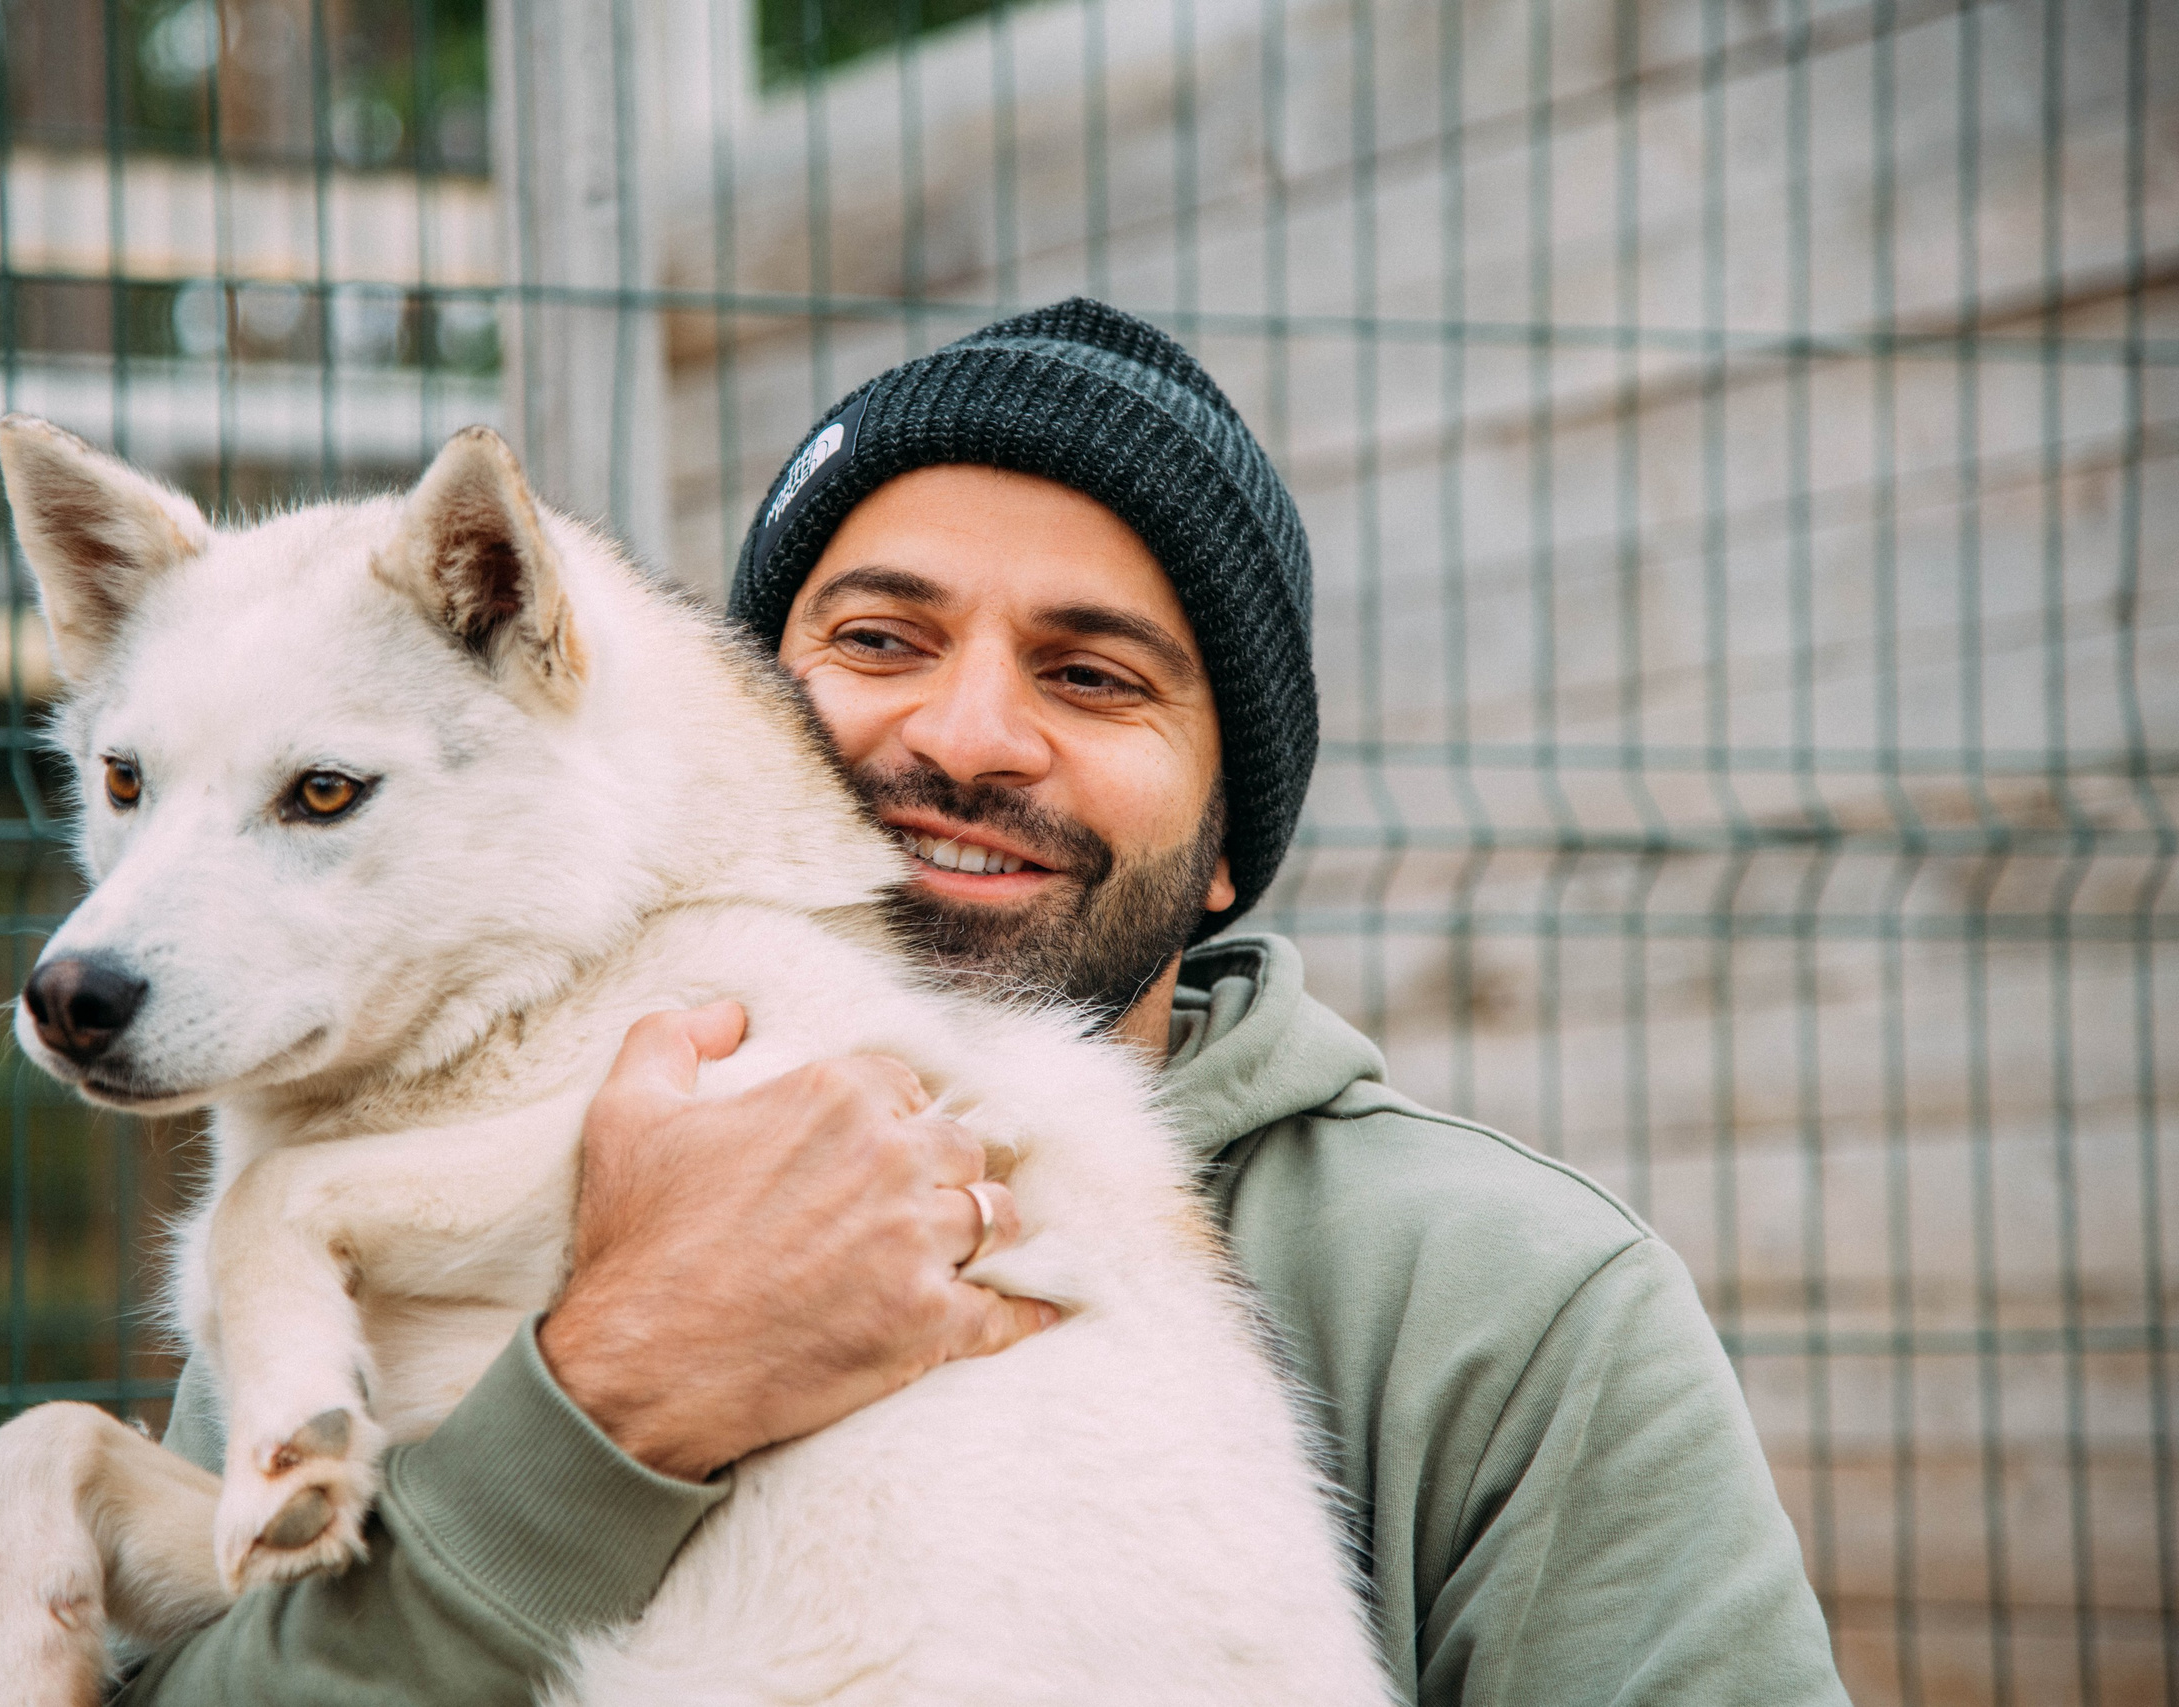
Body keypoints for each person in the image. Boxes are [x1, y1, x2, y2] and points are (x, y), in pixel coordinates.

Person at [119, 300, 1850, 1704]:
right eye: (879, 640)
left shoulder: (1511, 1296)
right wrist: (610, 1406)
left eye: (1092, 676)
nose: (964, 737)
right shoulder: (360, 1185)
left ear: (1232, 844)